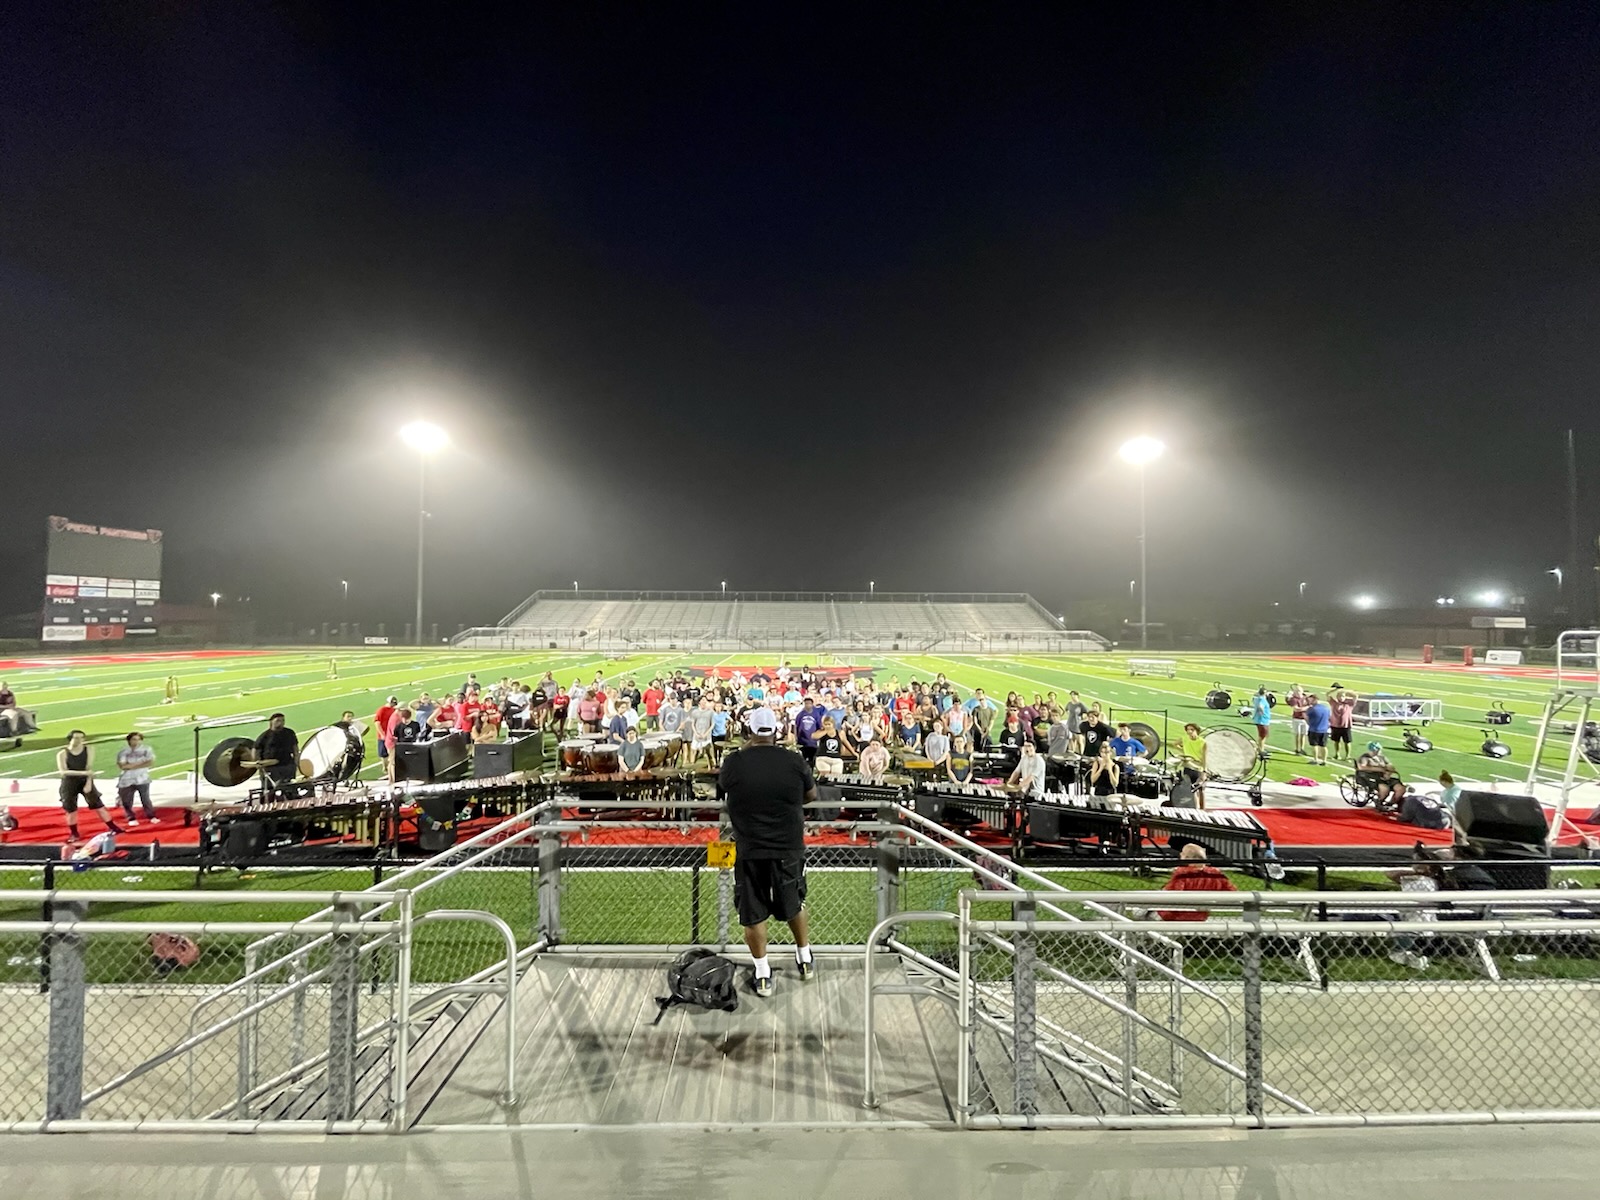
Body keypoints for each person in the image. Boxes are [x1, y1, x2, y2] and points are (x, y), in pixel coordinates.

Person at [717, 706, 815, 998]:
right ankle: (804, 956)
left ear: (749, 731)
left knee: (753, 911)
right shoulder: (794, 760)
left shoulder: (735, 762)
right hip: (788, 846)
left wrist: (748, 747)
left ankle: (762, 973)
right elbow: (811, 796)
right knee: (794, 903)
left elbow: (723, 787)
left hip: (750, 848)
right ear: (777, 731)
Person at [57, 730, 119, 844]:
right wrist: (84, 773)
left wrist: (88, 781)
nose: (79, 740)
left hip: (84, 780)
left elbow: (89, 767)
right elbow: (63, 771)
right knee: (71, 810)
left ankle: (113, 827)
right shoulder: (63, 753)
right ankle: (74, 833)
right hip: (69, 783)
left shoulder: (88, 750)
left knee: (98, 805)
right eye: (76, 738)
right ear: (70, 739)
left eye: (81, 738)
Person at [1157, 844, 1237, 921]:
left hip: (1175, 917)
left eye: (1183, 853)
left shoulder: (1182, 874)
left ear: (1188, 858)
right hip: (1200, 917)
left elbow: (1172, 896)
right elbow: (1232, 892)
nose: (1180, 854)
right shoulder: (1216, 874)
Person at [115, 731, 158, 826]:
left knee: (145, 799)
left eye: (138, 739)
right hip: (127, 779)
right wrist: (141, 763)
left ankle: (151, 816)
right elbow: (123, 766)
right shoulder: (123, 752)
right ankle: (131, 817)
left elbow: (150, 762)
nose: (136, 742)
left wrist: (131, 765)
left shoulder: (147, 749)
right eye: (134, 739)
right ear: (129, 740)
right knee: (127, 800)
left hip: (143, 778)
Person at [253, 713, 299, 788]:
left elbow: (295, 748)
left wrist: (296, 761)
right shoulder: (265, 736)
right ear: (271, 722)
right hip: (270, 767)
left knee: (290, 787)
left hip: (287, 765)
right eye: (278, 720)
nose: (281, 723)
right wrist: (259, 764)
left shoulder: (289, 733)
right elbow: (256, 749)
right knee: (270, 789)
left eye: (283, 720)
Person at [1356, 741, 1402, 806]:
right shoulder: (1365, 757)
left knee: (1400, 789)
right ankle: (1379, 801)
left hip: (1384, 777)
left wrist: (1388, 773)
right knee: (1385, 789)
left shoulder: (1382, 757)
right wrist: (1378, 769)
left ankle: (1391, 803)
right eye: (1376, 750)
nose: (1378, 751)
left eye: (1378, 750)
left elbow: (1390, 766)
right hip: (1371, 778)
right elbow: (1361, 767)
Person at [1177, 721, 1209, 808]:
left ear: (1197, 731)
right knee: (1191, 790)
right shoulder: (1184, 738)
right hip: (1187, 766)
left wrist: (1204, 771)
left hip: (1198, 767)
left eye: (1192, 729)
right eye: (1188, 730)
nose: (1189, 731)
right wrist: (1183, 751)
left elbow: (1204, 758)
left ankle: (1203, 809)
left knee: (1201, 790)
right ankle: (1196, 809)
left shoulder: (1203, 742)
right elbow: (1175, 744)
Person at [1328, 686, 1356, 763]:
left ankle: (1347, 756)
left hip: (1346, 725)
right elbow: (1328, 695)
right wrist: (1335, 690)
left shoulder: (1349, 704)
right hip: (1335, 725)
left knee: (1347, 741)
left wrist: (1346, 691)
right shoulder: (1334, 703)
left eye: (1342, 696)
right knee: (1336, 741)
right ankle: (1337, 754)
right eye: (1339, 696)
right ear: (1337, 697)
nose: (1341, 698)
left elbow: (1355, 696)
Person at [1305, 692, 1331, 767]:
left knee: (1314, 745)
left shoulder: (1311, 709)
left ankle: (1315, 759)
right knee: (1323, 746)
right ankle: (1324, 760)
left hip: (1314, 729)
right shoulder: (1326, 708)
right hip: (1324, 730)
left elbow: (1307, 718)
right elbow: (1329, 718)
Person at [1287, 686, 1310, 756]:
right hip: (1297, 719)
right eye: (1296, 691)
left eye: (1299, 691)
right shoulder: (1294, 699)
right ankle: (1297, 749)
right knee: (1297, 734)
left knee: (1303, 735)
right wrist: (1307, 708)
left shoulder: (1305, 698)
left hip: (1305, 719)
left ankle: (1302, 748)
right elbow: (1296, 709)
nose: (1298, 693)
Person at [1250, 687, 1272, 758]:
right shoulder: (1262, 699)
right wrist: (1263, 713)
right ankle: (1261, 750)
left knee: (1262, 735)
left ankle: (1260, 749)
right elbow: (1260, 706)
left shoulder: (1257, 699)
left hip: (1260, 720)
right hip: (1262, 720)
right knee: (1263, 736)